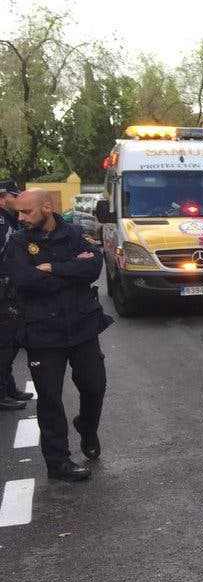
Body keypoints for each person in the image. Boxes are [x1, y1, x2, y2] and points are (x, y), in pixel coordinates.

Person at [7, 189, 111, 483]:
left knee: (95, 386)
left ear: (47, 208)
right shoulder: (18, 242)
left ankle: (87, 427)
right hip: (42, 331)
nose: (21, 217)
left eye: (27, 212)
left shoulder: (75, 234)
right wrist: (70, 273)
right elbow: (24, 280)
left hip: (82, 326)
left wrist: (53, 268)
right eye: (18, 212)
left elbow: (92, 267)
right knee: (50, 398)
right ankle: (58, 463)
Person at [0, 180, 31, 411]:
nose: (18, 200)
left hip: (10, 290)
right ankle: (2, 393)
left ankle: (9, 388)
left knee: (9, 343)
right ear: (3, 197)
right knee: (5, 345)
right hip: (3, 292)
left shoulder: (11, 220)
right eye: (14, 196)